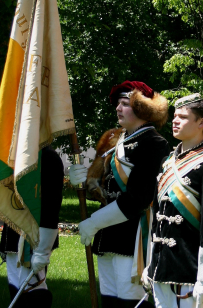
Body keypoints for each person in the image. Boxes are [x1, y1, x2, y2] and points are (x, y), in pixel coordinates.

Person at [69, 80, 170, 308]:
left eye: (125, 103)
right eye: (117, 103)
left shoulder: (154, 143)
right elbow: (100, 189)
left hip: (133, 235)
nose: (118, 108)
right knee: (110, 301)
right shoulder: (114, 140)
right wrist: (79, 180)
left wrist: (93, 222)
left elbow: (138, 199)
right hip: (108, 234)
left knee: (130, 301)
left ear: (143, 109)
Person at [143, 93, 203, 308]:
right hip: (161, 268)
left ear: (202, 122)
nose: (175, 121)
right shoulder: (167, 163)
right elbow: (157, 221)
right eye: (175, 116)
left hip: (189, 272)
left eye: (183, 117)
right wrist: (151, 265)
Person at [0, 146, 64, 308]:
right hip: (14, 237)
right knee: (16, 290)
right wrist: (5, 243)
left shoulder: (48, 158)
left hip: (35, 238)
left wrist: (42, 249)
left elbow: (50, 207)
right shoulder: (18, 153)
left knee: (34, 292)